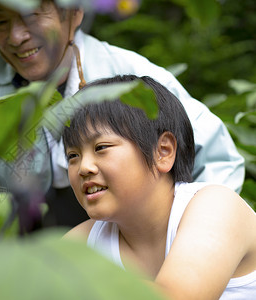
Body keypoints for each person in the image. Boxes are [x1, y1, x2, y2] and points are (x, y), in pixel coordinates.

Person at [0, 0, 245, 257]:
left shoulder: (129, 76)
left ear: (74, 14)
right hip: (28, 240)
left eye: (33, 15)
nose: (16, 37)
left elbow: (217, 161)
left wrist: (183, 246)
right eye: (1, 22)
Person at [63, 75, 256, 300]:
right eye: (73, 156)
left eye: (101, 147)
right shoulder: (82, 242)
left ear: (162, 151)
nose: (83, 167)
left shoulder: (217, 206)